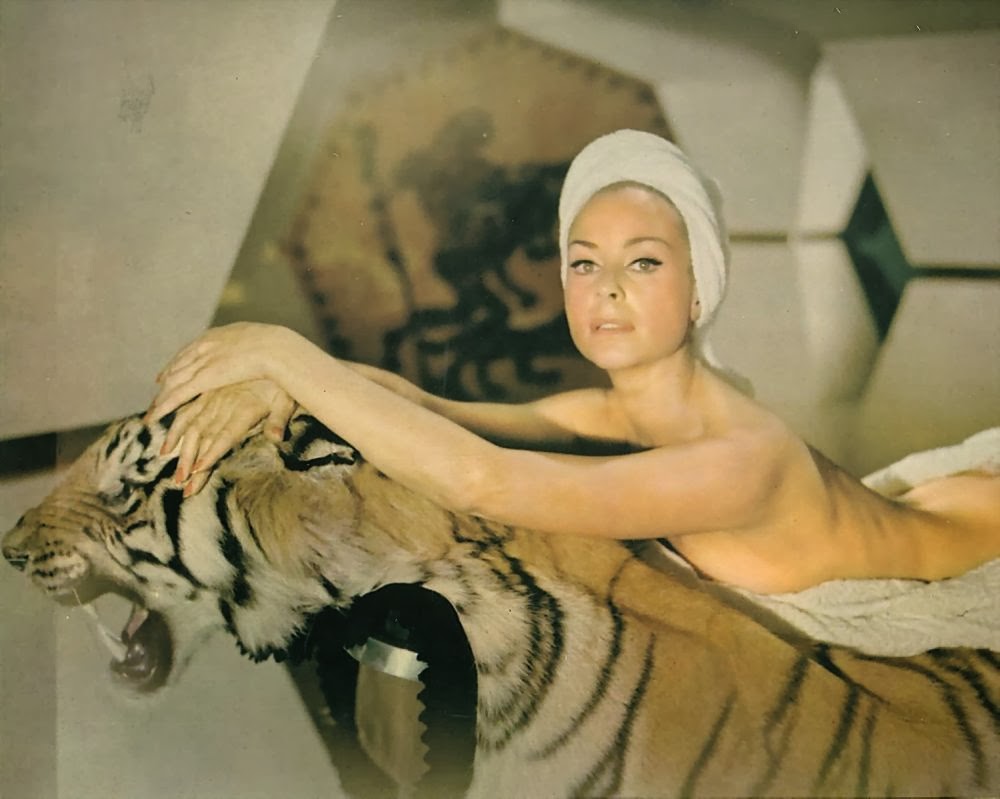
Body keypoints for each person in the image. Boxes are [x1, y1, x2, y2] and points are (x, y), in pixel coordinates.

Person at [147, 129, 1000, 596]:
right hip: (932, 503)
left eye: (645, 262)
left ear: (699, 289)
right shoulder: (614, 412)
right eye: (584, 263)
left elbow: (484, 480)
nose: (608, 288)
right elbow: (428, 409)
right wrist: (276, 385)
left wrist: (278, 348)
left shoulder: (742, 457)